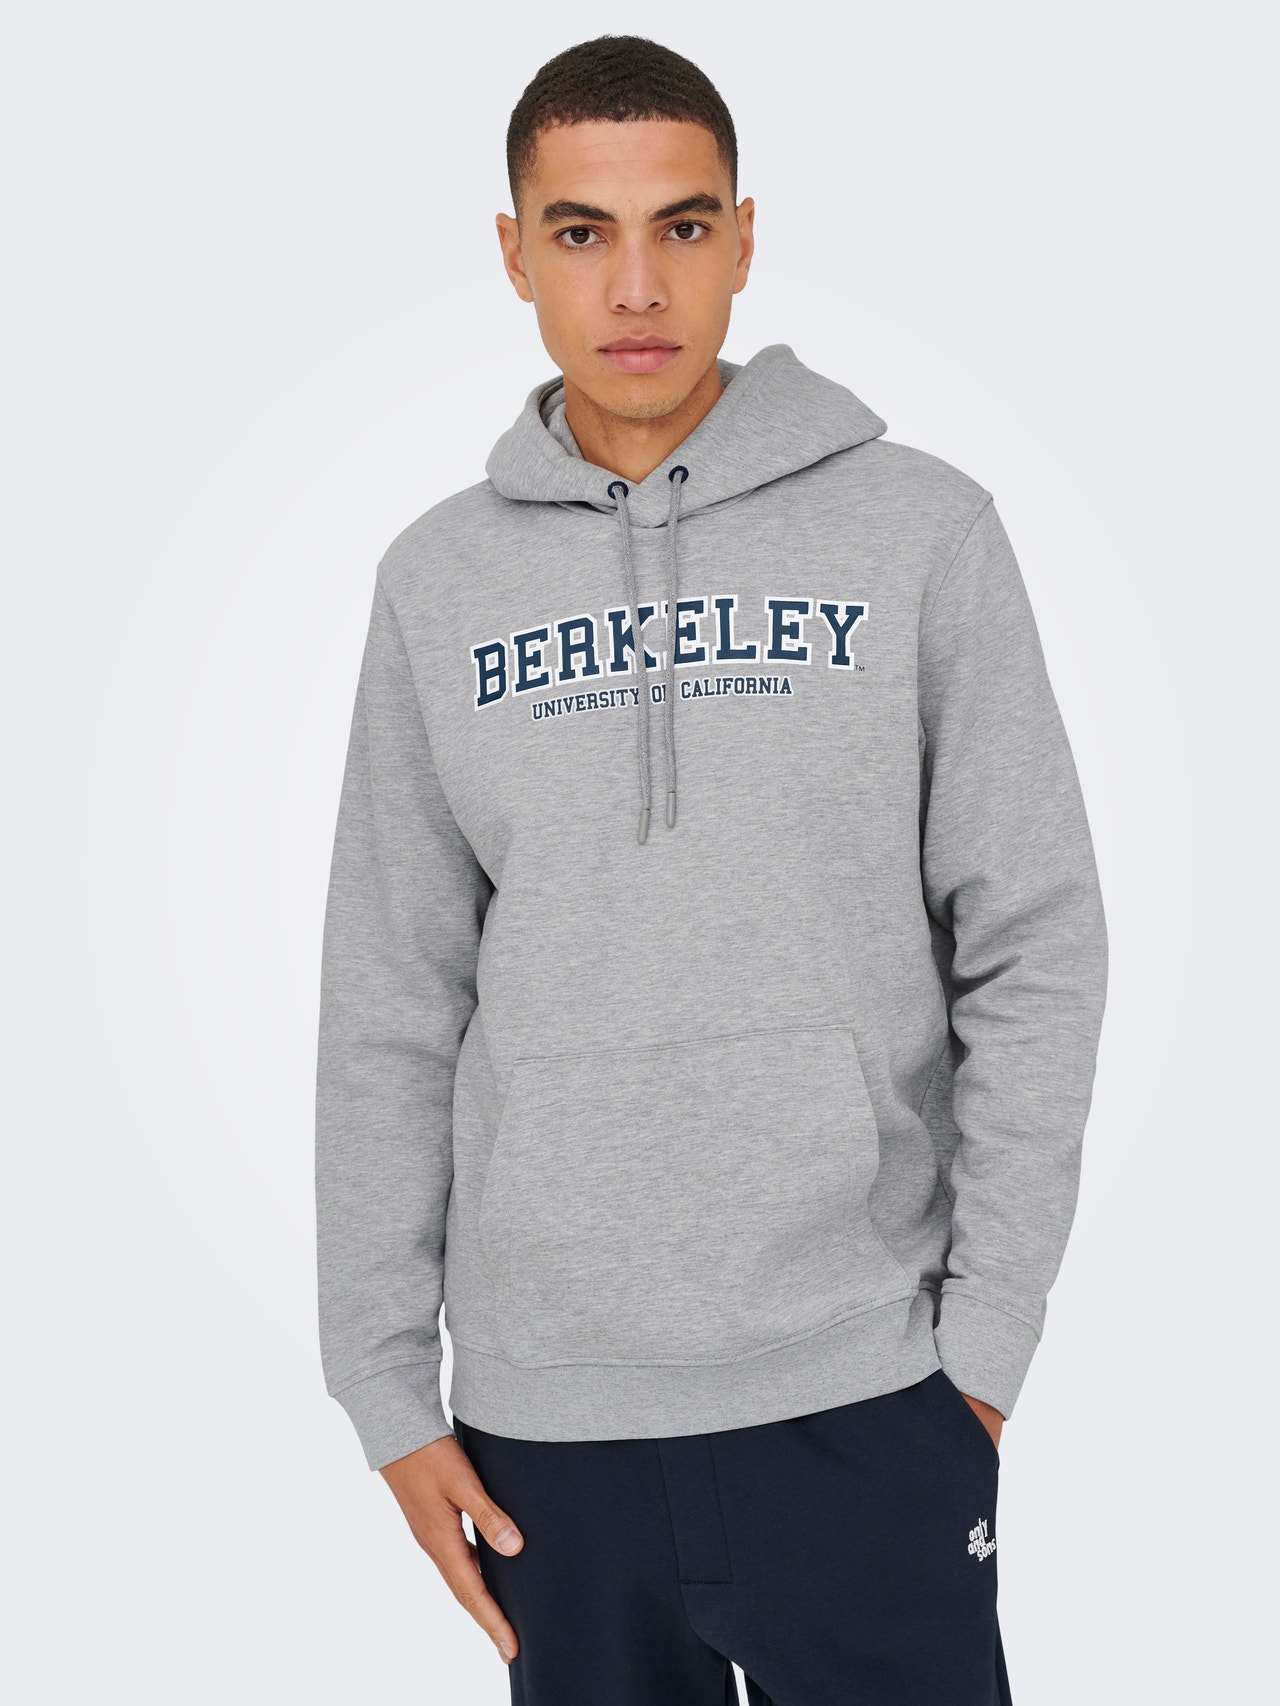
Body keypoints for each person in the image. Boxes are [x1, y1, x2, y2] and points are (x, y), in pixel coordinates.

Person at [314, 33, 1108, 1705]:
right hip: (546, 1423)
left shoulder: (921, 533)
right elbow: (391, 994)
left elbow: (1033, 936)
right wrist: (386, 1388)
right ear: (514, 252)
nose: (636, 286)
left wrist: (985, 1345)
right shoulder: (436, 584)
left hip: (867, 1388)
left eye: (681, 226)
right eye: (581, 232)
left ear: (745, 238)